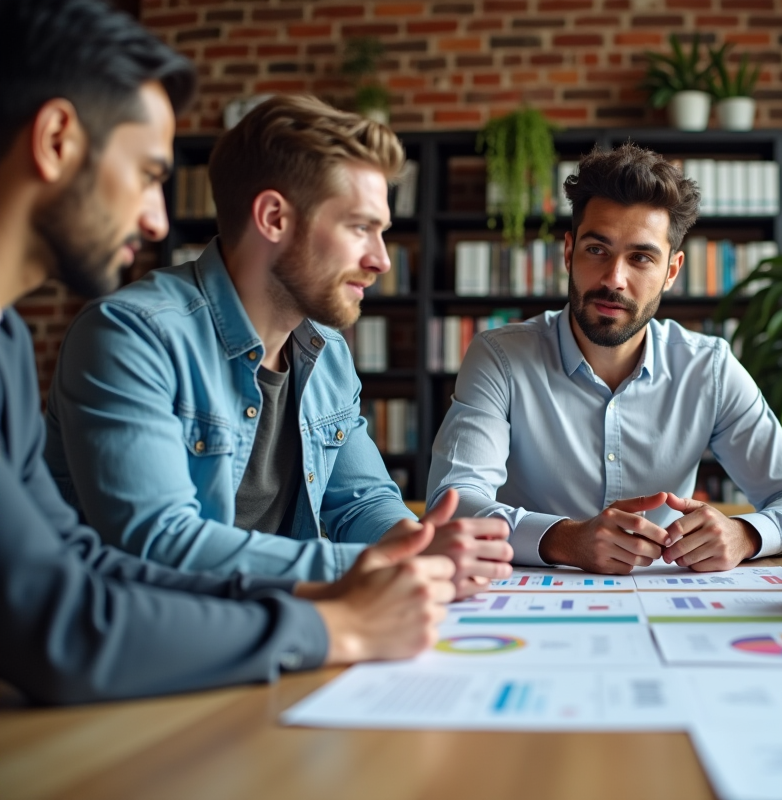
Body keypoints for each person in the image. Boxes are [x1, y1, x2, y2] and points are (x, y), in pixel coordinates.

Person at [0, 0, 459, 704]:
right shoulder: (130, 332)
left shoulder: (7, 341)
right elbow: (90, 598)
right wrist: (340, 615)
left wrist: (408, 556)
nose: (157, 219)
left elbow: (76, 568)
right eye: (151, 174)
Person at [42, 94, 511, 597]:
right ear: (273, 218)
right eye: (360, 228)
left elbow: (361, 501)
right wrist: (375, 566)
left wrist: (418, 548)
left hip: (282, 625)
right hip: (149, 646)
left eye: (383, 233)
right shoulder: (131, 336)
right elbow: (158, 541)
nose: (381, 260)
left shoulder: (326, 351)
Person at [427, 144, 782, 575]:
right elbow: (452, 504)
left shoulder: (709, 368)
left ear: (672, 271)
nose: (613, 279)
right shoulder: (500, 357)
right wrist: (565, 539)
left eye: (641, 257)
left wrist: (747, 534)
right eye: (596, 250)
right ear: (568, 252)